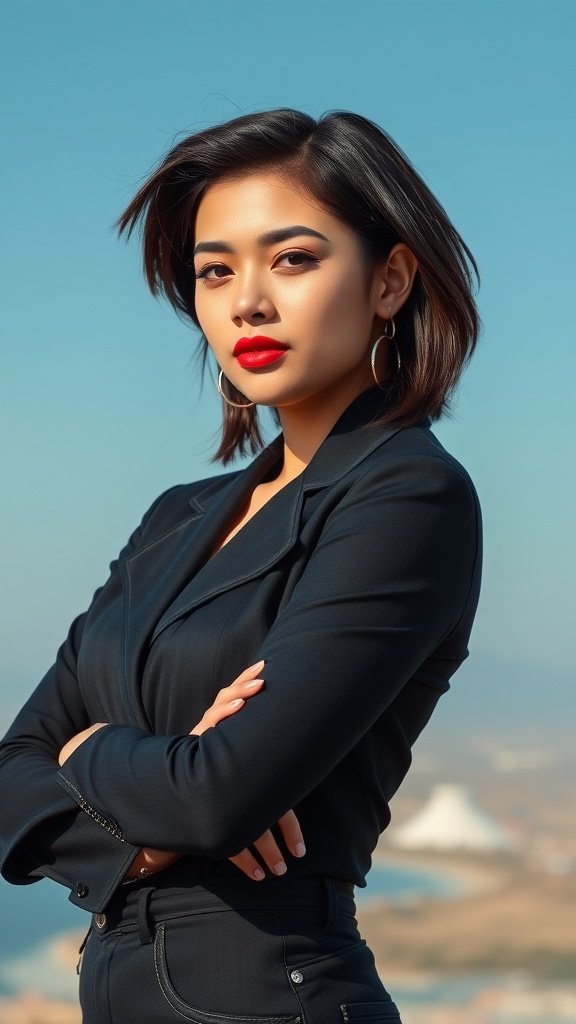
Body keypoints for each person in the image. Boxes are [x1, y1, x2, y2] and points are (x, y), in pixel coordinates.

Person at [0, 108, 483, 1023]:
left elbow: (217, 798)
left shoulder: (408, 496)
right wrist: (148, 822)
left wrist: (89, 748)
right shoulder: (174, 517)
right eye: (214, 271)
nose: (245, 302)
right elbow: (8, 775)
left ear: (390, 280)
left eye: (293, 259)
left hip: (272, 995)